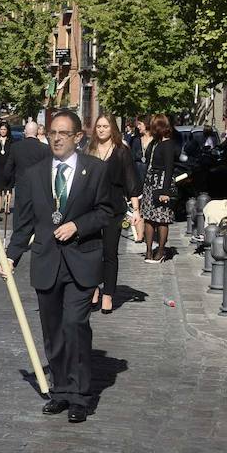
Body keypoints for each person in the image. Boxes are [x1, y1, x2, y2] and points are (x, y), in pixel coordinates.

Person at [3, 110, 113, 423]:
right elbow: (24, 222)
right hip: (47, 261)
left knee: (74, 325)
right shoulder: (35, 174)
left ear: (79, 137)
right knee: (52, 331)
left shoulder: (95, 170)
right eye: (53, 132)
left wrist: (78, 225)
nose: (57, 138)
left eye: (64, 133)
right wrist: (11, 256)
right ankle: (61, 391)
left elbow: (106, 212)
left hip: (82, 261)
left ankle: (80, 395)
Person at [86, 115, 141, 314]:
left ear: (112, 129)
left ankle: (108, 294)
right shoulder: (89, 150)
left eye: (105, 126)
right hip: (91, 209)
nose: (101, 130)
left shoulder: (121, 151)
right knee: (92, 252)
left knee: (109, 252)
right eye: (98, 126)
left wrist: (136, 210)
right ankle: (93, 289)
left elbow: (131, 181)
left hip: (114, 208)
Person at [141, 114, 177, 263]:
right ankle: (148, 250)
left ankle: (161, 250)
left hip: (161, 183)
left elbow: (169, 168)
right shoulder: (155, 143)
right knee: (149, 218)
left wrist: (165, 191)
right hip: (150, 183)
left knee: (162, 219)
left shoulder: (168, 145)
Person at [4, 121, 52, 195]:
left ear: (25, 131)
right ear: (37, 132)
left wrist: (8, 183)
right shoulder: (45, 148)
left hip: (22, 185)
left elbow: (8, 168)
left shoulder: (16, 147)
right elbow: (49, 169)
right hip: (39, 187)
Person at [129, 116, 153, 243]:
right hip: (137, 172)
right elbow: (131, 158)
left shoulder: (155, 141)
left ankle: (148, 231)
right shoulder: (135, 140)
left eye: (140, 124)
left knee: (148, 204)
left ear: (147, 124)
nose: (138, 127)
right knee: (138, 203)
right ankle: (139, 235)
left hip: (149, 173)